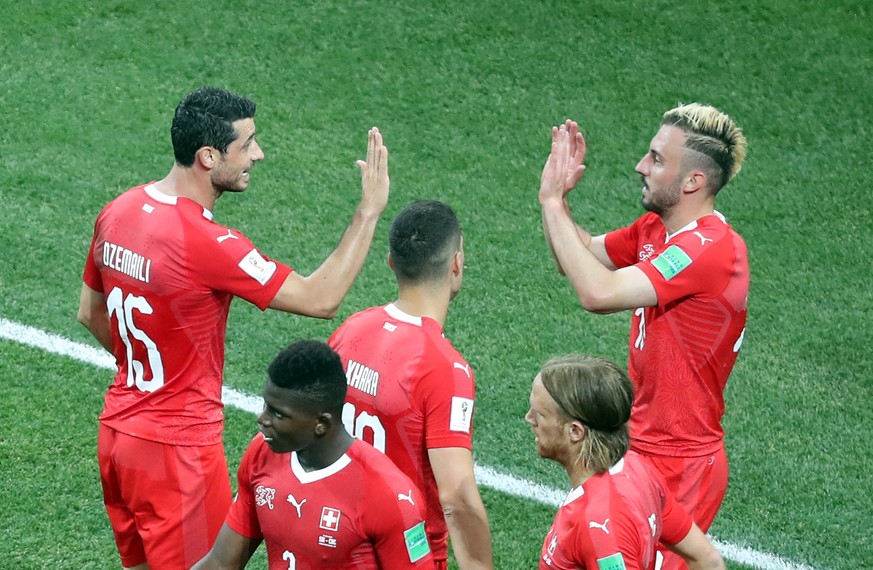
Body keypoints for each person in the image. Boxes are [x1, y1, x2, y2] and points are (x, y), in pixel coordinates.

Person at [77, 86, 390, 570]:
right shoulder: (207, 242)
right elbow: (320, 298)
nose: (257, 155)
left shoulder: (117, 210)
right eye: (246, 145)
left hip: (118, 438)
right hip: (176, 452)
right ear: (208, 156)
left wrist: (150, 371)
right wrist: (368, 212)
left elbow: (89, 313)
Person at [537, 104, 748, 570]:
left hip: (683, 462)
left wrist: (553, 204)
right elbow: (577, 258)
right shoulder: (657, 228)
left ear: (692, 181)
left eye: (656, 159)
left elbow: (597, 292)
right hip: (638, 446)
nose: (641, 166)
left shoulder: (711, 250)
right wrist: (556, 199)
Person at [328, 200, 493, 570]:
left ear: (390, 261)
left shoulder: (350, 331)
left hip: (335, 539)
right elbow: (457, 496)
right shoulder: (445, 368)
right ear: (456, 264)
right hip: (403, 554)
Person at [193, 340, 434, 569]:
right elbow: (222, 563)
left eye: (277, 414)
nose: (262, 419)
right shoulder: (262, 453)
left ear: (321, 424)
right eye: (266, 406)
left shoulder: (388, 495)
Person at [526, 354, 726, 570]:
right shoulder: (635, 467)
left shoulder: (599, 525)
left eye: (539, 414)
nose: (529, 418)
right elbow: (707, 560)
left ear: (575, 431)